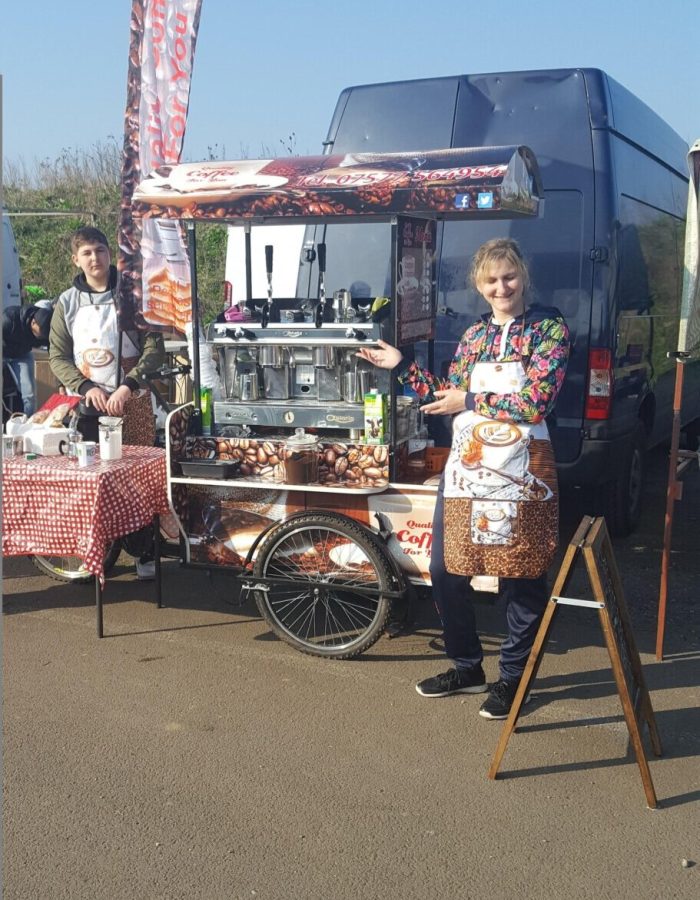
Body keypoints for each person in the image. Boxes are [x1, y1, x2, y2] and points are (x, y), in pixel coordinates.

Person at [358, 238, 570, 719]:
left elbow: (535, 401)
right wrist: (403, 367)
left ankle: (513, 680)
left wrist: (470, 400)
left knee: (522, 576)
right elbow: (446, 394)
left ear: (523, 277)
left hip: (523, 472)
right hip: (469, 469)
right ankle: (467, 667)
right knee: (445, 568)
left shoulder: (548, 330)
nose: (502, 287)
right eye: (492, 280)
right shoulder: (473, 337)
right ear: (479, 285)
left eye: (509, 277)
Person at [49, 225, 165, 578]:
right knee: (91, 481)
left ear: (109, 255)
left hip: (131, 399)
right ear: (76, 259)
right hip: (88, 405)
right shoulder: (66, 302)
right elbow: (57, 356)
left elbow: (153, 347)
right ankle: (93, 550)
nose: (94, 258)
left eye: (100, 250)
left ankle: (145, 553)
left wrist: (128, 386)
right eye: (87, 253)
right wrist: (85, 387)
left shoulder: (131, 295)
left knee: (136, 480)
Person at [3, 303, 53, 416]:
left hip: (22, 354)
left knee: (29, 393)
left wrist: (61, 383)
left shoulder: (46, 330)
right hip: (3, 351)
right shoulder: (8, 319)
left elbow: (55, 354)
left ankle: (30, 423)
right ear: (33, 322)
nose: (40, 339)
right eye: (39, 335)